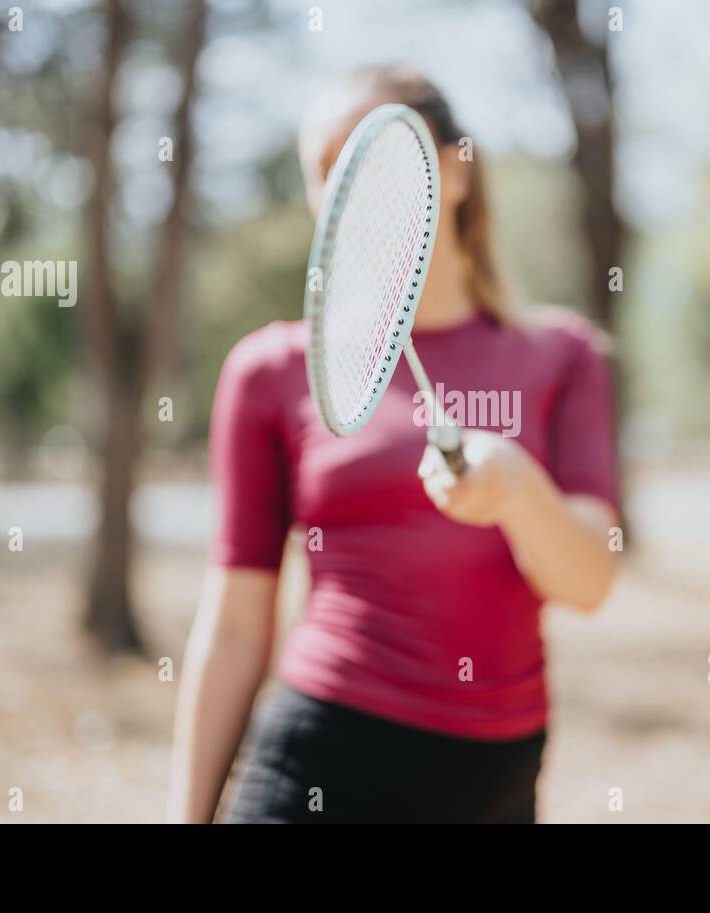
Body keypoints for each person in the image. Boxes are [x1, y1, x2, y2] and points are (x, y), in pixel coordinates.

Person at [167, 65, 620, 824]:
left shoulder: (561, 354)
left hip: (496, 776)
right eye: (324, 171)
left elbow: (588, 582)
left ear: (457, 169)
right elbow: (237, 626)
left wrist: (514, 485)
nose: (345, 191)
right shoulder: (270, 370)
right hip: (323, 754)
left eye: (369, 158)